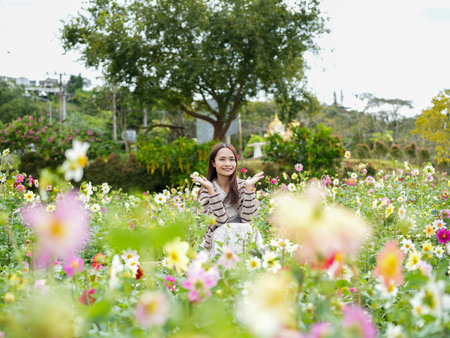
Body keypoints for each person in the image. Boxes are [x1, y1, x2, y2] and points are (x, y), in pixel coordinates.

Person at [190, 143, 266, 257]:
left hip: (243, 237)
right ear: (213, 163)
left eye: (232, 159)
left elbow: (249, 220)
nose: (228, 164)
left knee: (251, 229)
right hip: (219, 239)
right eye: (222, 159)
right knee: (223, 230)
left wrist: (249, 189)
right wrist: (211, 191)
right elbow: (221, 222)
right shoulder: (206, 190)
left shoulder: (242, 185)